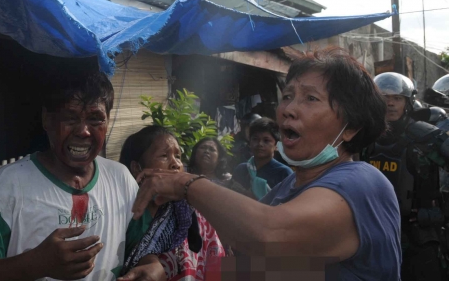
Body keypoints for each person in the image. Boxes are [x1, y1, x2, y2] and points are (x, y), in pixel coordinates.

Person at [131, 47, 401, 280]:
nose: (288, 109)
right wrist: (170, 268)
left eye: (310, 98)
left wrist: (186, 183)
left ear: (351, 126)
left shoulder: (362, 183)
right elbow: (257, 266)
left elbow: (270, 236)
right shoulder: (287, 187)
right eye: (287, 96)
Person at [0, 71, 164, 281]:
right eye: (70, 118)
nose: (84, 131)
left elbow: (143, 245)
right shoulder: (9, 186)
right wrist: (34, 265)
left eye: (95, 119)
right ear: (47, 120)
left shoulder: (121, 179)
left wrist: (152, 265)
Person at [360, 72, 449, 281]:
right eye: (384, 98)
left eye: (397, 98)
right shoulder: (367, 137)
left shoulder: (427, 138)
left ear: (407, 103)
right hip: (377, 232)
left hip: (420, 236)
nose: (390, 104)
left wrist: (439, 213)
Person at [119, 126, 225, 280]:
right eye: (164, 155)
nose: (176, 164)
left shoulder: (196, 217)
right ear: (137, 168)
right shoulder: (124, 215)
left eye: (178, 157)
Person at [232, 117, 293, 200]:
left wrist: (247, 194)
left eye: (266, 140)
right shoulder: (241, 169)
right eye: (255, 139)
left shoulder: (284, 173)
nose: (260, 144)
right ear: (249, 142)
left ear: (276, 145)